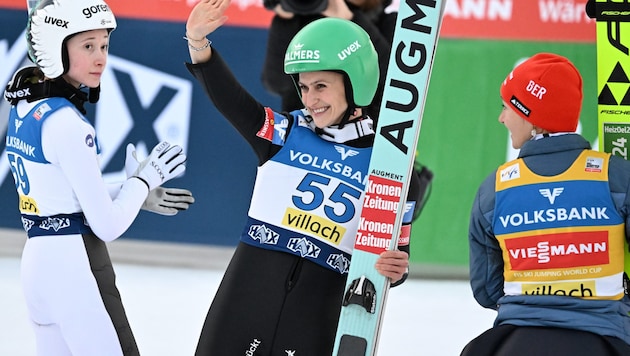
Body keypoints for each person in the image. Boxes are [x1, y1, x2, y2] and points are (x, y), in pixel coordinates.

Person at [184, 1, 418, 354]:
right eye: (304, 87)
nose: (310, 99)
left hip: (313, 320)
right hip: (243, 308)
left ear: (356, 82)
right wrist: (198, 42)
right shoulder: (284, 132)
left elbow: (395, 257)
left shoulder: (391, 168)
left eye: (321, 86)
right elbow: (232, 102)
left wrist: (396, 268)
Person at [3, 0, 192, 355]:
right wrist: (144, 180)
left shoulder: (26, 109)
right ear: (56, 48)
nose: (101, 58)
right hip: (76, 268)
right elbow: (106, 225)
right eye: (87, 46)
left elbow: (63, 197)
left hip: (37, 264)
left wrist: (132, 191)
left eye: (104, 45)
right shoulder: (69, 125)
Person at [463, 53, 630, 355]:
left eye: (507, 107)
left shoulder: (495, 188)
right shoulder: (616, 176)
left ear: (530, 115)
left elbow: (487, 291)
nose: (502, 118)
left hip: (515, 340)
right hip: (604, 338)